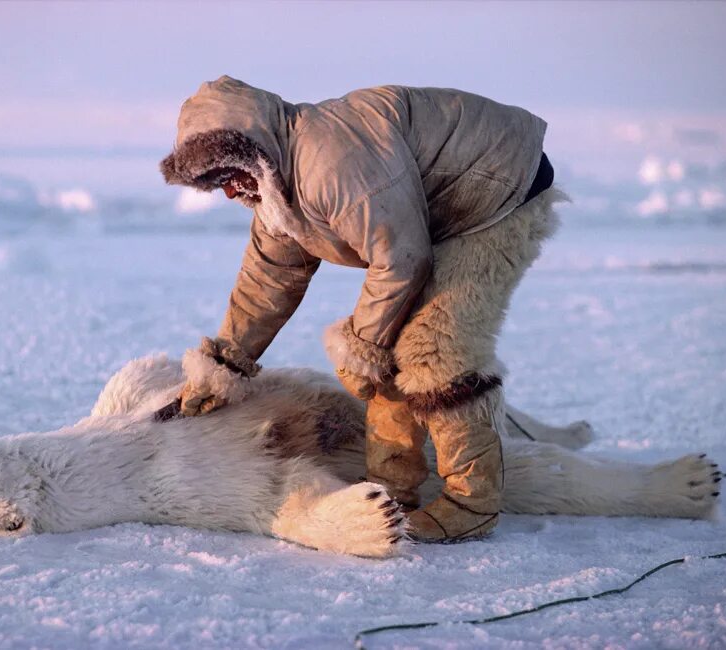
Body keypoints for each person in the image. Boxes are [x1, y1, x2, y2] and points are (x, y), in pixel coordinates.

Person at [160, 76, 561, 542]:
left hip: (498, 190)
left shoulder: (330, 160)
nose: (228, 192)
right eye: (214, 184)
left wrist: (362, 344)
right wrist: (223, 365)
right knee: (384, 351)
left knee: (433, 351)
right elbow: (269, 280)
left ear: (253, 148)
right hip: (432, 217)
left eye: (226, 174)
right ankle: (394, 490)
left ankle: (472, 504)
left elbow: (402, 257)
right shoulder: (276, 191)